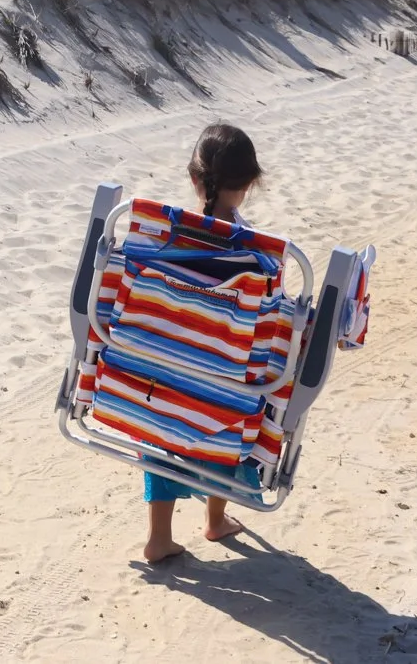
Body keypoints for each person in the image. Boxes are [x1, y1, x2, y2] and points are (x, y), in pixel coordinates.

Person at [141, 122, 263, 563]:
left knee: (164, 419)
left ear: (194, 178)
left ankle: (159, 537)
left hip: (162, 383)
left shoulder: (160, 237)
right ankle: (215, 519)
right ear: (250, 183)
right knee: (230, 402)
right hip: (221, 389)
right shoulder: (257, 253)